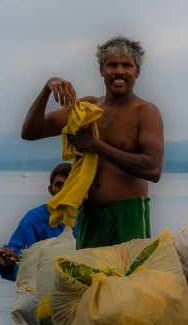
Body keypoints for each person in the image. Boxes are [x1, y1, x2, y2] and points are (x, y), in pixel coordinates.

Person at [20, 35, 164, 250]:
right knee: (88, 282)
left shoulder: (145, 112)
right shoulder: (87, 108)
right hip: (89, 215)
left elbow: (153, 169)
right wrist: (47, 88)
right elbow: (30, 132)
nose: (119, 71)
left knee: (126, 282)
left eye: (127, 65)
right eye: (112, 64)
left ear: (137, 72)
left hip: (128, 214)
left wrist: (97, 147)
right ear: (101, 70)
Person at [0, 163, 72, 281]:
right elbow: (16, 252)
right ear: (50, 189)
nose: (63, 190)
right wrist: (6, 264)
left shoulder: (89, 218)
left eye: (69, 185)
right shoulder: (35, 219)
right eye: (59, 185)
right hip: (43, 288)